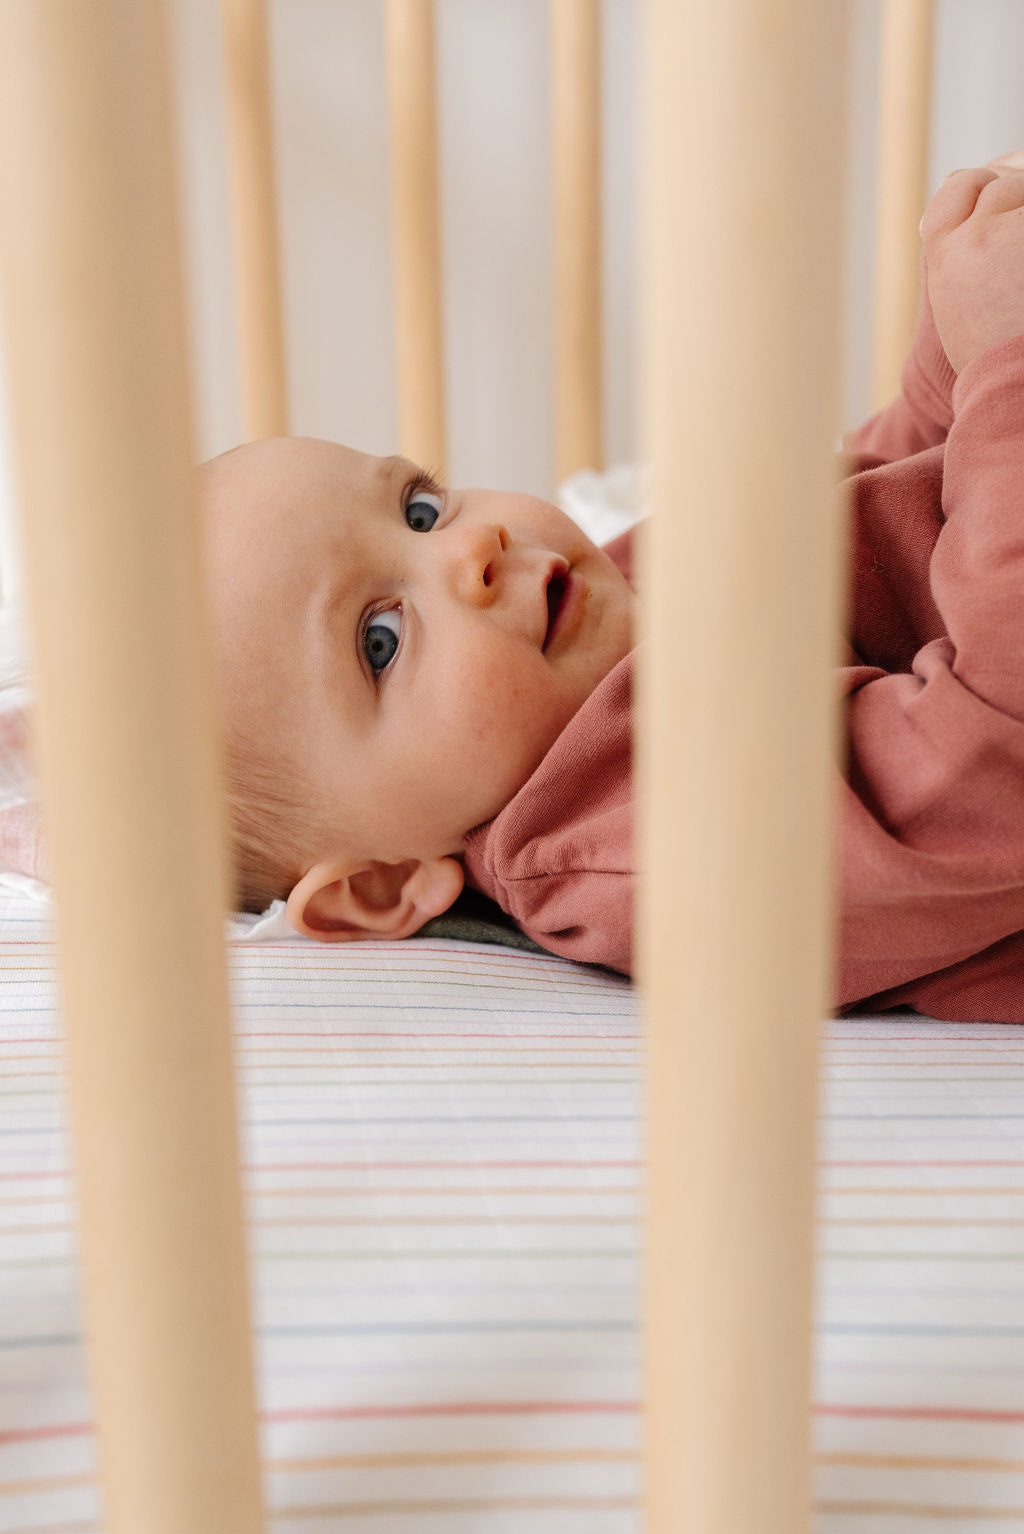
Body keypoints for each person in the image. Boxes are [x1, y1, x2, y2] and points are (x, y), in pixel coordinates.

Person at [7, 155, 1024, 1023]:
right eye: (379, 641)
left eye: (417, 509)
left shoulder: (599, 610)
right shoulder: (621, 842)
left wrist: (954, 343)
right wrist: (1002, 375)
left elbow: (874, 511)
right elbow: (986, 767)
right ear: (383, 884)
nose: (473, 548)